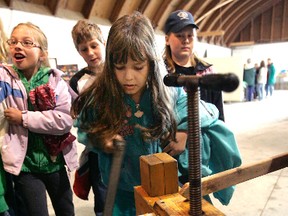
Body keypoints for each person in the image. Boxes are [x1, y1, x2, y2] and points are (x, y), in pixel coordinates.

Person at [71, 11, 241, 215]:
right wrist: (100, 137)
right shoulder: (102, 97)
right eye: (119, 67)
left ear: (151, 63)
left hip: (171, 189)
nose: (128, 77)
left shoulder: (167, 89)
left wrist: (185, 131)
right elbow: (86, 126)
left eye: (138, 67)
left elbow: (205, 110)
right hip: (125, 194)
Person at [0, 22, 78, 216]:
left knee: (66, 211)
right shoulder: (5, 78)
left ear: (42, 53)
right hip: (26, 167)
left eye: (27, 43)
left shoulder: (55, 81)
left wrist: (23, 118)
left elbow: (63, 121)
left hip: (55, 163)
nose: (18, 46)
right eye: (14, 42)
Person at [70, 19, 106, 215]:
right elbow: (79, 120)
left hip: (126, 143)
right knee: (102, 197)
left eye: (94, 46)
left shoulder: (119, 72)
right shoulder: (77, 81)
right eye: (84, 49)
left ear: (104, 43)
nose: (90, 53)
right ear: (79, 52)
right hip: (97, 150)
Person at [163, 10, 225, 122]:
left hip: (204, 136)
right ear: (167, 39)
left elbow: (219, 115)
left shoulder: (208, 72)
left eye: (190, 35)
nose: (186, 40)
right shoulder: (161, 72)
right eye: (179, 35)